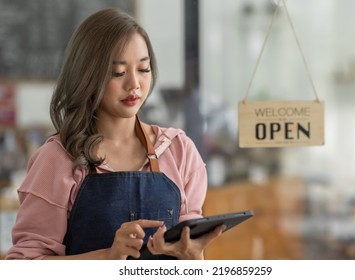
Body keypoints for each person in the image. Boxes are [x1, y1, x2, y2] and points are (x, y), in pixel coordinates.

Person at [6, 8, 224, 260]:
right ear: (87, 75)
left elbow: (189, 256)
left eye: (143, 69)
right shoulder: (57, 159)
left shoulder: (179, 150)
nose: (134, 84)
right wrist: (108, 257)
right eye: (118, 72)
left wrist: (195, 258)